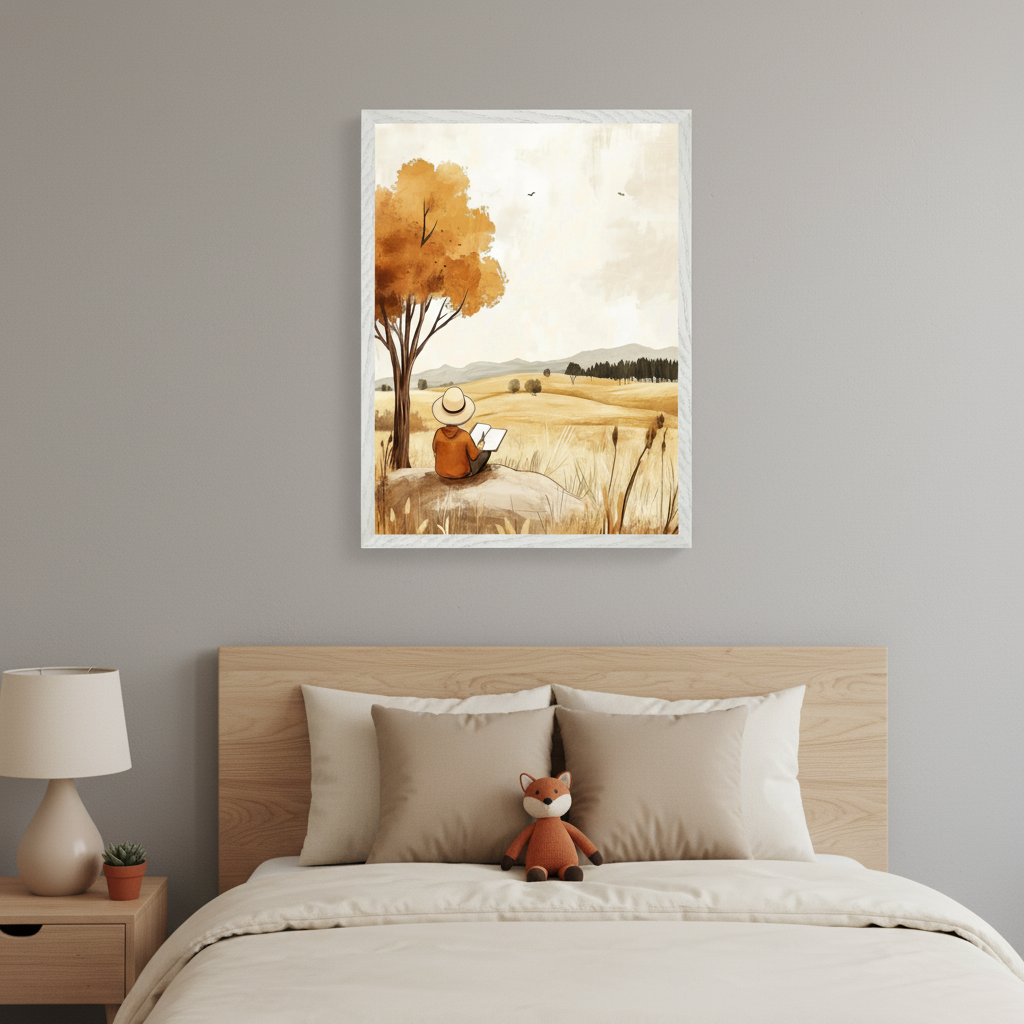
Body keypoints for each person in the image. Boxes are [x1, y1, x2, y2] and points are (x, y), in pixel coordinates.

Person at [431, 386, 491, 479]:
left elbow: (435, 449)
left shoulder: (438, 433)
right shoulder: (464, 435)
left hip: (441, 472)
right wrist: (480, 447)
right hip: (462, 473)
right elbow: (474, 456)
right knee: (486, 453)